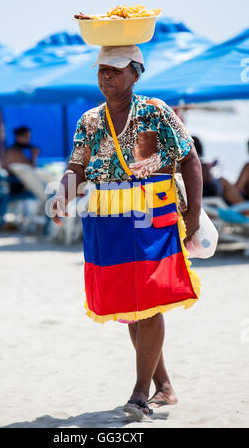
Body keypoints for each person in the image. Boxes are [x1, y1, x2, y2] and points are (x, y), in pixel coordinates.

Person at [50, 45, 202, 420]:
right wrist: (60, 196)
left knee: (148, 300)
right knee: (130, 308)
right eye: (102, 69)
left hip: (151, 216)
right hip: (106, 221)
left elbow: (189, 158)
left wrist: (195, 219)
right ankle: (164, 386)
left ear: (136, 73)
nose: (107, 76)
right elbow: (77, 168)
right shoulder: (88, 120)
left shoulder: (155, 111)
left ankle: (139, 395)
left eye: (115, 69)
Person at [193, 136, 249, 212]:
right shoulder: (202, 165)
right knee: (223, 182)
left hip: (239, 204)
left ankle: (246, 211)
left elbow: (238, 188)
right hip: (236, 202)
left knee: (223, 181)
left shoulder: (247, 167)